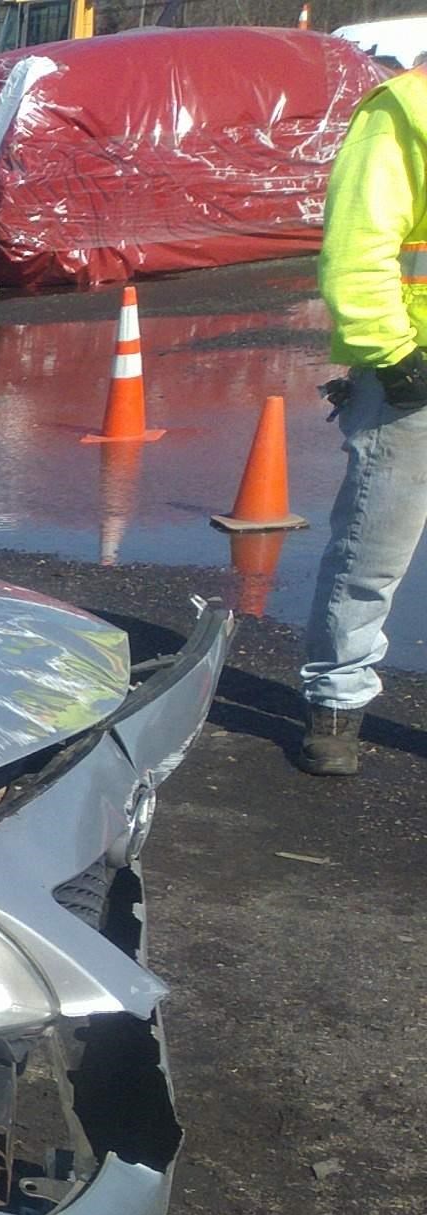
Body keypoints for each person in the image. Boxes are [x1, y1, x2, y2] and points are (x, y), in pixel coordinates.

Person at [303, 58, 427, 776]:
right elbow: (359, 242)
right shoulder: (405, 111)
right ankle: (337, 704)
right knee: (372, 554)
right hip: (413, 374)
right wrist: (395, 356)